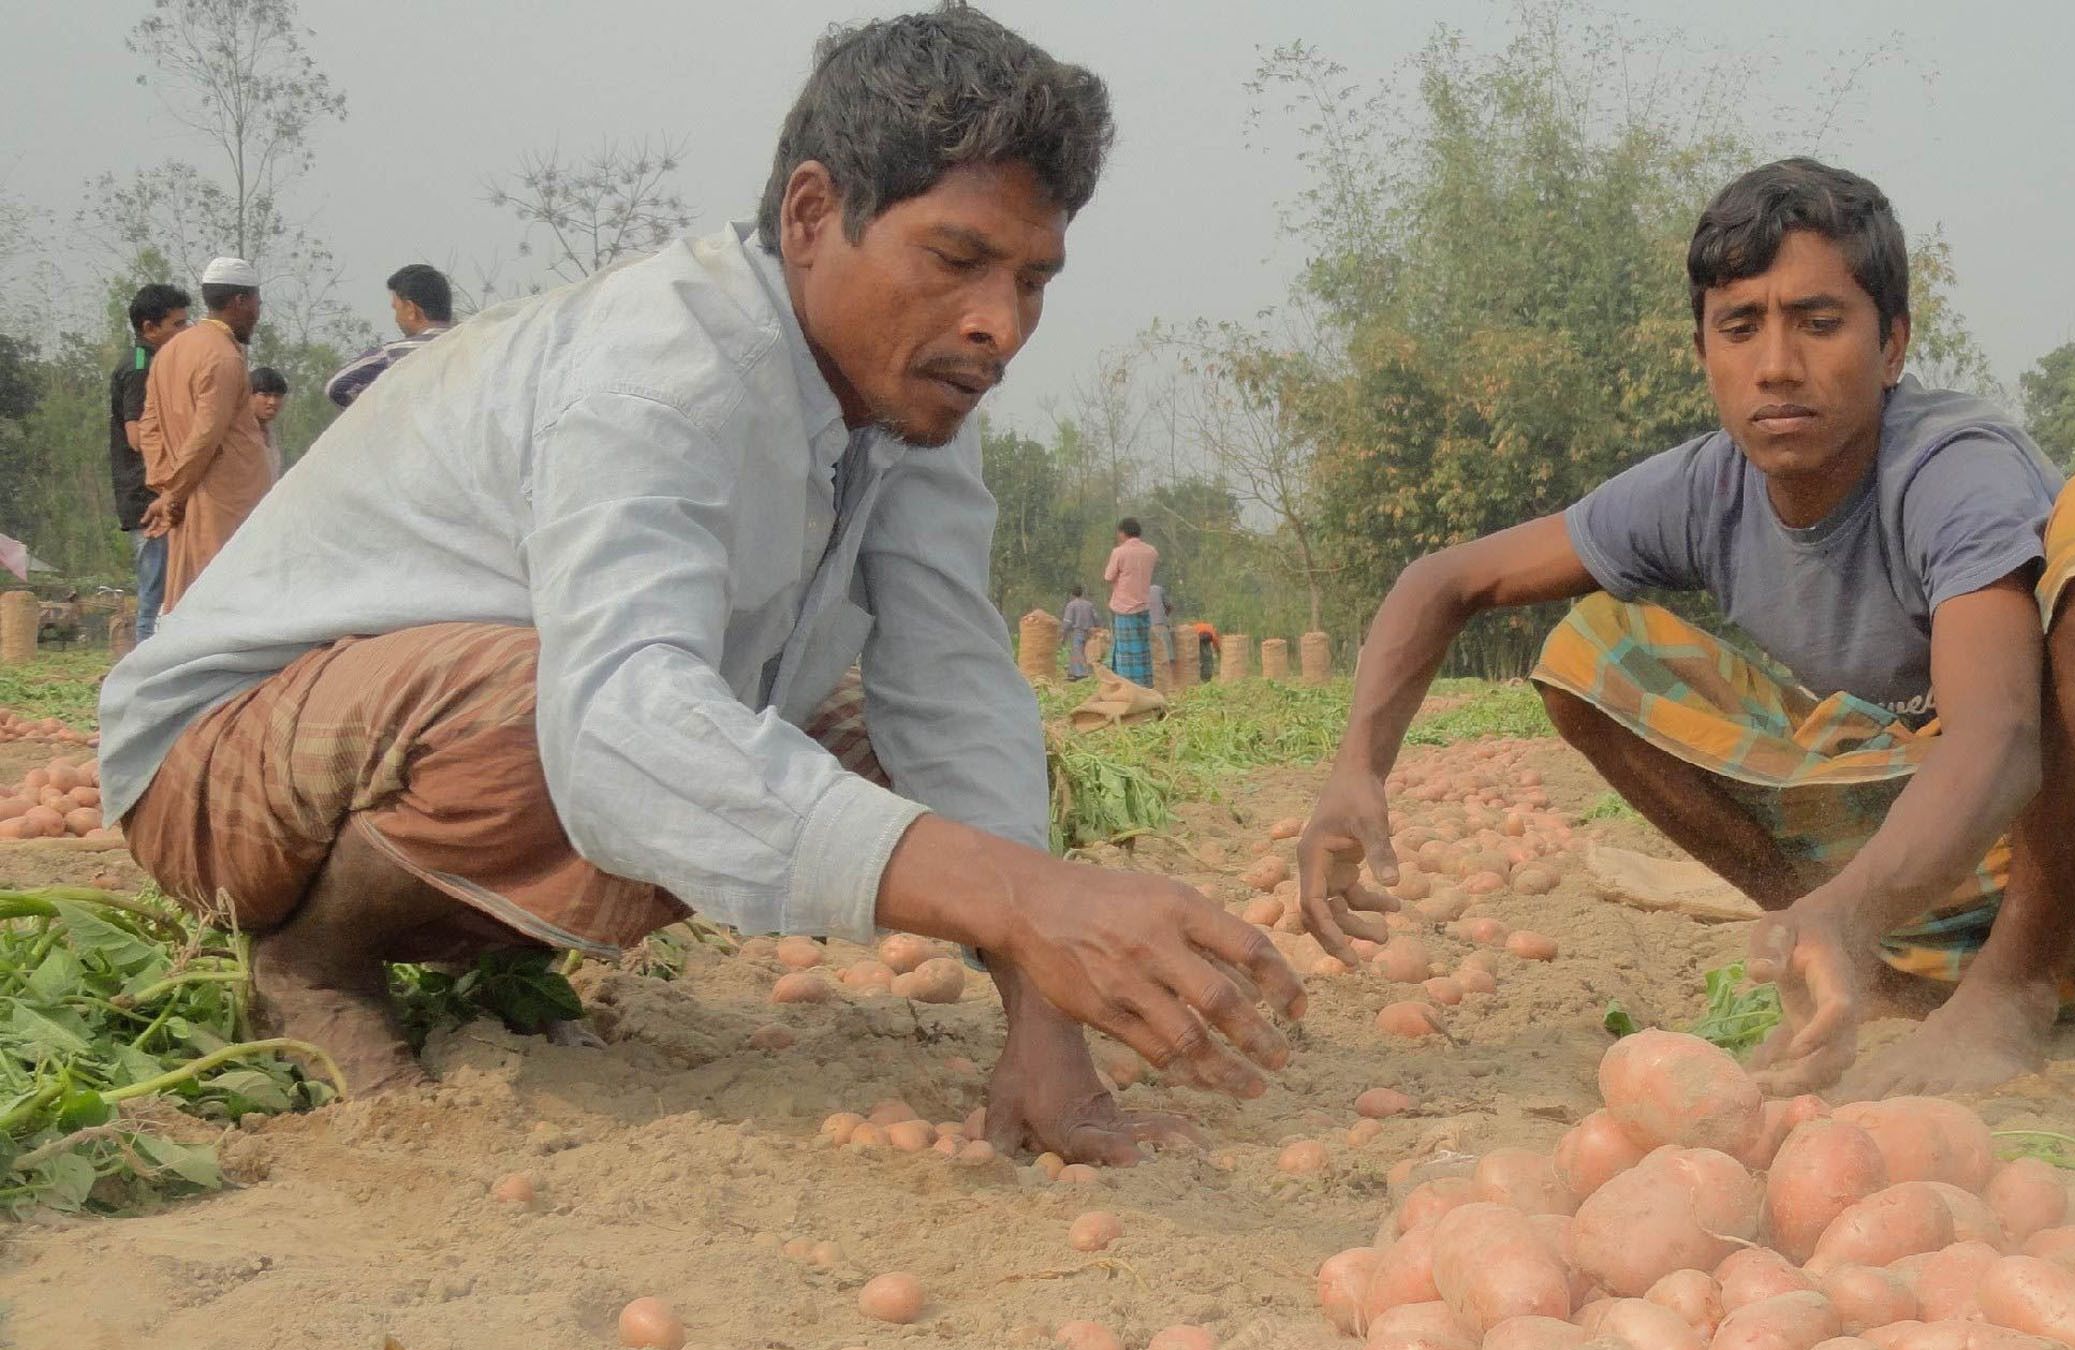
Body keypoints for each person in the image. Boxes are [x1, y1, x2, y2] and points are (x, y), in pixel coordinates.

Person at [98, 9, 1298, 1165]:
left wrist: (1045, 1020)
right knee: (598, 723)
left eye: (1034, 279)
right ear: (816, 213)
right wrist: (1028, 897)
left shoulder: (913, 394)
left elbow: (954, 684)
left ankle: (470, 943)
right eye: (959, 259)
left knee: (881, 753)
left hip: (435, 731)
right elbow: (617, 725)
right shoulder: (663, 363)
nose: (1001, 325)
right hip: (218, 765)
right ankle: (312, 962)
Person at [1294, 158, 2075, 1101]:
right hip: (1927, 890)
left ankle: (2010, 987)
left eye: (1818, 322)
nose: (1777, 365)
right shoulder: (1705, 489)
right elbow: (1444, 579)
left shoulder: (1951, 469)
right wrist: (1353, 772)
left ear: (1892, 346)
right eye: (1739, 327)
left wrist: (1855, 905)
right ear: (1704, 351)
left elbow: (1998, 743)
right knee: (1590, 651)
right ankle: (1861, 965)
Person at [136, 257, 272, 612]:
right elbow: (206, 435)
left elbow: (149, 427)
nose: (258, 312)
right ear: (240, 301)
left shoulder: (168, 353)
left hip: (188, 497)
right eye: (257, 303)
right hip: (225, 499)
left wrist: (165, 485)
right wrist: (173, 494)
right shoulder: (223, 357)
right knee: (226, 600)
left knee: (188, 597)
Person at [109, 283, 191, 643]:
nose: (183, 333)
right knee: (154, 595)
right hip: (146, 496)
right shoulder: (142, 365)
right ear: (149, 328)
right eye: (177, 325)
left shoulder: (151, 362)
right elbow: (136, 436)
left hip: (151, 493)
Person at [325, 263, 456, 408]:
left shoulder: (394, 355)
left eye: (396, 308)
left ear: (411, 309)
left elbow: (337, 387)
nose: (396, 319)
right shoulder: (473, 346)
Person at [1102, 517, 1157, 687]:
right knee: (1142, 649)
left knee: (1125, 652)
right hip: (1143, 606)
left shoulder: (1119, 552)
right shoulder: (1151, 551)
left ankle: (1127, 685)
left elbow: (1108, 576)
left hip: (1124, 608)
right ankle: (1145, 685)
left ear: (1123, 533)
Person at [248, 367, 290, 484]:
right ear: (248, 396)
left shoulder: (271, 435)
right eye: (265, 395)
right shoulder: (237, 434)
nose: (272, 402)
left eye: (277, 396)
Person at [1061, 583, 1099, 679]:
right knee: (1088, 652)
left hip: (1077, 631)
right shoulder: (1089, 605)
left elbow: (1068, 621)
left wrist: (1063, 631)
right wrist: (1098, 628)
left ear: (1072, 594)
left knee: (1077, 651)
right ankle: (1087, 672)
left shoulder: (1071, 605)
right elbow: (1096, 618)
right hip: (1089, 632)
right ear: (1082, 593)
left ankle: (1079, 674)